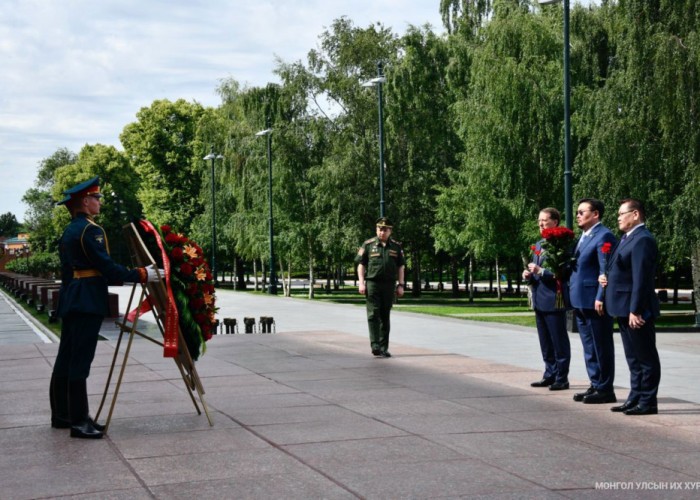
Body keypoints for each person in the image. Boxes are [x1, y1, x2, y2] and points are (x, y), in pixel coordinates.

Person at [50, 177, 159, 438]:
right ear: (85, 202)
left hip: (73, 298)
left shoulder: (69, 231)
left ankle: (63, 415)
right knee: (80, 362)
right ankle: (79, 423)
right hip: (87, 301)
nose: (99, 202)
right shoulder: (91, 231)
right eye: (96, 198)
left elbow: (67, 273)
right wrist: (143, 274)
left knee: (66, 358)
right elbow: (108, 270)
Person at [600, 199, 661, 415]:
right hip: (623, 307)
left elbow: (641, 278)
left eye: (621, 213)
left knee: (645, 358)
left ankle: (648, 402)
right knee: (633, 358)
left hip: (636, 310)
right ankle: (635, 397)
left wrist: (635, 310)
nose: (618, 217)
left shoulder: (642, 239)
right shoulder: (627, 238)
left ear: (635, 214)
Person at [568, 199, 618, 404]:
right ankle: (595, 383)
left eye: (582, 212)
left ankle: (606, 389)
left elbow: (604, 269)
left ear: (595, 214)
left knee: (601, 345)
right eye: (577, 212)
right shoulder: (583, 236)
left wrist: (600, 296)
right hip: (579, 299)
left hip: (593, 300)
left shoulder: (604, 235)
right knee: (589, 346)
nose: (578, 215)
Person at [523, 208, 571, 391]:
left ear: (555, 222)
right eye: (539, 220)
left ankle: (561, 377)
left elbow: (564, 271)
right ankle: (549, 374)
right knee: (545, 341)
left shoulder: (561, 244)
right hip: (539, 299)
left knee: (558, 341)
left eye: (544, 220)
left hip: (554, 299)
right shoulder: (539, 243)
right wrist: (528, 275)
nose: (541, 224)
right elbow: (536, 273)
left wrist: (541, 271)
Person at [355, 217, 405, 358]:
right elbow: (361, 264)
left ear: (390, 231)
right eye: (379, 229)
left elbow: (401, 266)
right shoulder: (368, 245)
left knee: (385, 315)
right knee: (373, 314)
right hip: (373, 284)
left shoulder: (396, 246)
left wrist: (401, 285)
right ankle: (375, 345)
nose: (382, 232)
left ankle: (384, 347)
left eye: (385, 230)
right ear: (376, 229)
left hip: (389, 285)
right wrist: (361, 282)